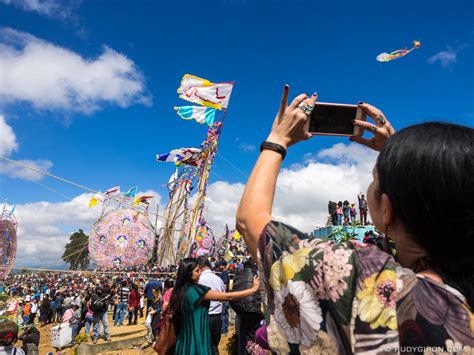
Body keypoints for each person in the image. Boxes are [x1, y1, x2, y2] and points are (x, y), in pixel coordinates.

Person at [236, 88, 474, 353]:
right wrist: (400, 153)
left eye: (375, 179)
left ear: (387, 209)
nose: (371, 186)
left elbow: (250, 222)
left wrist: (277, 139)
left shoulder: (365, 278)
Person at [171, 258, 260, 355]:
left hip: (184, 340)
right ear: (188, 273)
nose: (200, 273)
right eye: (197, 271)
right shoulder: (195, 291)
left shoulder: (179, 292)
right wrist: (253, 289)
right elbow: (228, 296)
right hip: (197, 340)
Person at [230, 258, 263, 355]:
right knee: (255, 336)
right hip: (254, 311)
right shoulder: (256, 276)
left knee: (244, 335)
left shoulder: (239, 274)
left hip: (240, 310)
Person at [198, 257, 225, 355]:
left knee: (204, 346)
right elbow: (223, 298)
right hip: (217, 316)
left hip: (205, 317)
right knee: (214, 346)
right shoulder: (218, 279)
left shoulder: (200, 279)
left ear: (200, 267)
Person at [215, 260, 230, 335]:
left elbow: (224, 285)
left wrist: (222, 296)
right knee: (226, 313)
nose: (218, 267)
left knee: (223, 313)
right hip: (226, 295)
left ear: (223, 266)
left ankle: (223, 330)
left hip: (224, 295)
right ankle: (225, 329)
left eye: (219, 265)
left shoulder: (224, 273)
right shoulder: (226, 272)